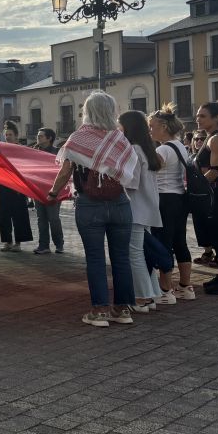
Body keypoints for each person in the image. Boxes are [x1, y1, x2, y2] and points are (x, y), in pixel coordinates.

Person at [47, 91, 139, 327]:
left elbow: (66, 170)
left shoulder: (79, 137)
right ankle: (123, 309)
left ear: (88, 111)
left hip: (90, 204)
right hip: (120, 203)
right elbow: (130, 170)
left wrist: (53, 193)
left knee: (96, 258)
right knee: (121, 258)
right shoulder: (120, 139)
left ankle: (99, 311)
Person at [118, 110, 164, 313]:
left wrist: (115, 179)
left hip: (136, 207)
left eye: (121, 125)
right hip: (147, 207)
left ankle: (143, 297)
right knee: (144, 254)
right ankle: (152, 295)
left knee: (134, 254)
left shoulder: (134, 149)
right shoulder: (147, 148)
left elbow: (131, 182)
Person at [148, 105, 194, 302]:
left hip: (164, 198)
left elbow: (148, 171)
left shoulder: (163, 149)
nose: (150, 130)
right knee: (179, 241)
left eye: (152, 126)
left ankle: (166, 290)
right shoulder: (180, 146)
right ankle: (185, 286)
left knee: (163, 242)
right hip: (179, 198)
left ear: (164, 127)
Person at [195, 100, 218, 294]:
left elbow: (215, 171)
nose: (198, 119)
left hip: (217, 195)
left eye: (203, 116)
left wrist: (195, 187)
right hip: (212, 194)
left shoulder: (217, 138)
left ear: (217, 118)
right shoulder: (209, 137)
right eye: (197, 115)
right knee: (216, 236)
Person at [0, 122, 33, 251]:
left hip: (18, 187)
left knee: (19, 215)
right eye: (6, 134)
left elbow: (26, 168)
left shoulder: (21, 150)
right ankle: (7, 242)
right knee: (4, 215)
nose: (8, 137)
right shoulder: (0, 150)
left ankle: (18, 243)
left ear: (16, 136)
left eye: (10, 134)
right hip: (4, 185)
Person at [32, 128, 64, 254]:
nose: (38, 138)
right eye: (38, 136)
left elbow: (62, 171)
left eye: (41, 136)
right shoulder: (33, 152)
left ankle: (59, 244)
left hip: (53, 190)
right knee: (41, 219)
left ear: (49, 138)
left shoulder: (57, 153)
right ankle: (44, 246)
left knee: (53, 218)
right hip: (38, 190)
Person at [189, 130, 216, 266]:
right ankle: (208, 252)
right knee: (200, 226)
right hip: (196, 196)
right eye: (196, 139)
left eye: (202, 139)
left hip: (208, 195)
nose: (198, 141)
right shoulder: (193, 155)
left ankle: (217, 254)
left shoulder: (213, 154)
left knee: (211, 225)